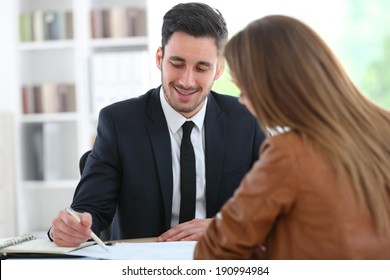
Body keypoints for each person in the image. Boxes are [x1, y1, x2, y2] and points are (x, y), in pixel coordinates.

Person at [49, 2, 265, 247]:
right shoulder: (118, 123)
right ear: (159, 58)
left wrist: (226, 226)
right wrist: (73, 227)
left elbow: (276, 205)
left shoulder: (248, 119)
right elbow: (89, 210)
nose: (187, 81)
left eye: (202, 67)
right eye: (177, 63)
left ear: (219, 69)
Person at [195, 15, 390, 259]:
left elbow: (213, 253)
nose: (242, 101)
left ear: (274, 86)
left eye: (245, 89)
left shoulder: (288, 152)